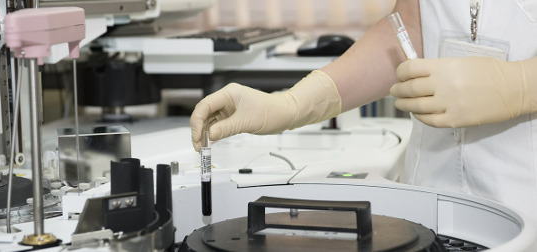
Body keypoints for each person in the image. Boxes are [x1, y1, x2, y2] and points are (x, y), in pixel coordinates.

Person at [190, 0, 537, 218]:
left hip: (526, 201)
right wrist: (293, 104)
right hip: (432, 200)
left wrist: (522, 84)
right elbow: (409, 30)